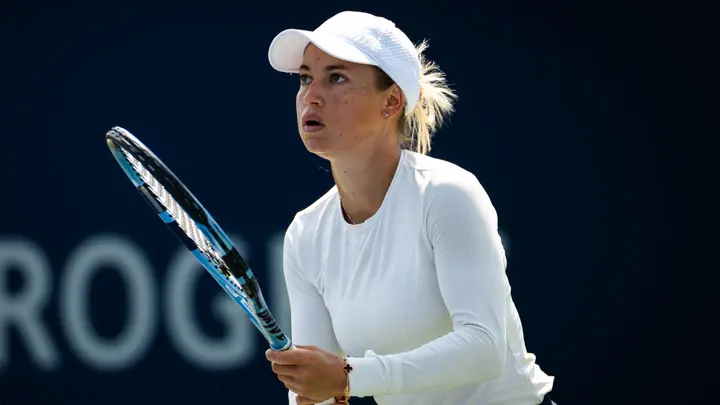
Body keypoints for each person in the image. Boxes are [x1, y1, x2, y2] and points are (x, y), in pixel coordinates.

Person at [264, 10, 556, 405]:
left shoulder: (447, 194)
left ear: (391, 101)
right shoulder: (305, 235)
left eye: (337, 78)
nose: (311, 96)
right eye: (304, 78)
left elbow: (484, 346)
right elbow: (323, 388)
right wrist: (319, 392)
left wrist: (348, 377)